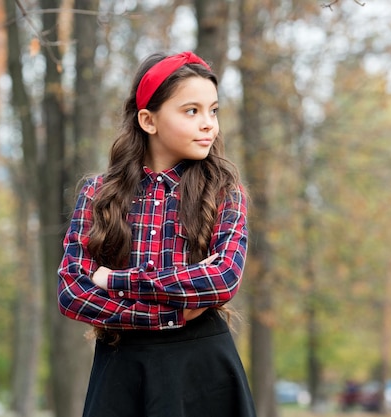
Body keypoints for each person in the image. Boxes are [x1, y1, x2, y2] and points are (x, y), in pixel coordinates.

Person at [57, 51, 256, 417]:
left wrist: (116, 281)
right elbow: (72, 293)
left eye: (214, 110)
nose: (209, 124)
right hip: (122, 368)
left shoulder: (225, 192)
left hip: (204, 369)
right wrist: (173, 314)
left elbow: (222, 280)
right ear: (148, 120)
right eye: (191, 111)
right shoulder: (98, 194)